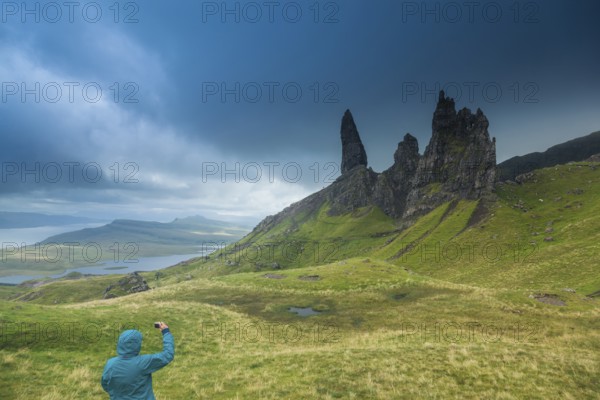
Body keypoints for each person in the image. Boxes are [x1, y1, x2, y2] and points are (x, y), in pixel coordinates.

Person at [101, 322, 175, 399]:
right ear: (137, 344)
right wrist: (166, 332)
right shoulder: (143, 362)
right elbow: (168, 355)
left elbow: (105, 384)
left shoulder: (110, 363)